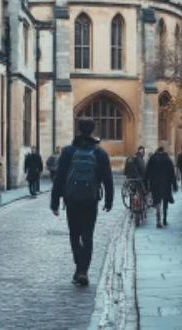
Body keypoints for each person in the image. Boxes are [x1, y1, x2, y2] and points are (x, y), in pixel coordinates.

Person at [51, 118, 114, 287]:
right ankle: (83, 270)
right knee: (88, 235)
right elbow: (108, 179)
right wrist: (109, 200)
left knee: (74, 234)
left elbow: (60, 177)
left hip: (71, 199)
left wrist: (54, 202)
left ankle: (79, 267)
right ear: (93, 130)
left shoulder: (69, 151)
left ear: (78, 129)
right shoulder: (100, 153)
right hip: (90, 199)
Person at [144, 146, 177, 228]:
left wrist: (145, 183)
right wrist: (174, 184)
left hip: (155, 184)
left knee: (157, 201)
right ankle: (165, 219)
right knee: (165, 202)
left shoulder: (152, 159)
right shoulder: (168, 159)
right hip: (166, 184)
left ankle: (158, 219)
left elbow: (147, 172)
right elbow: (172, 173)